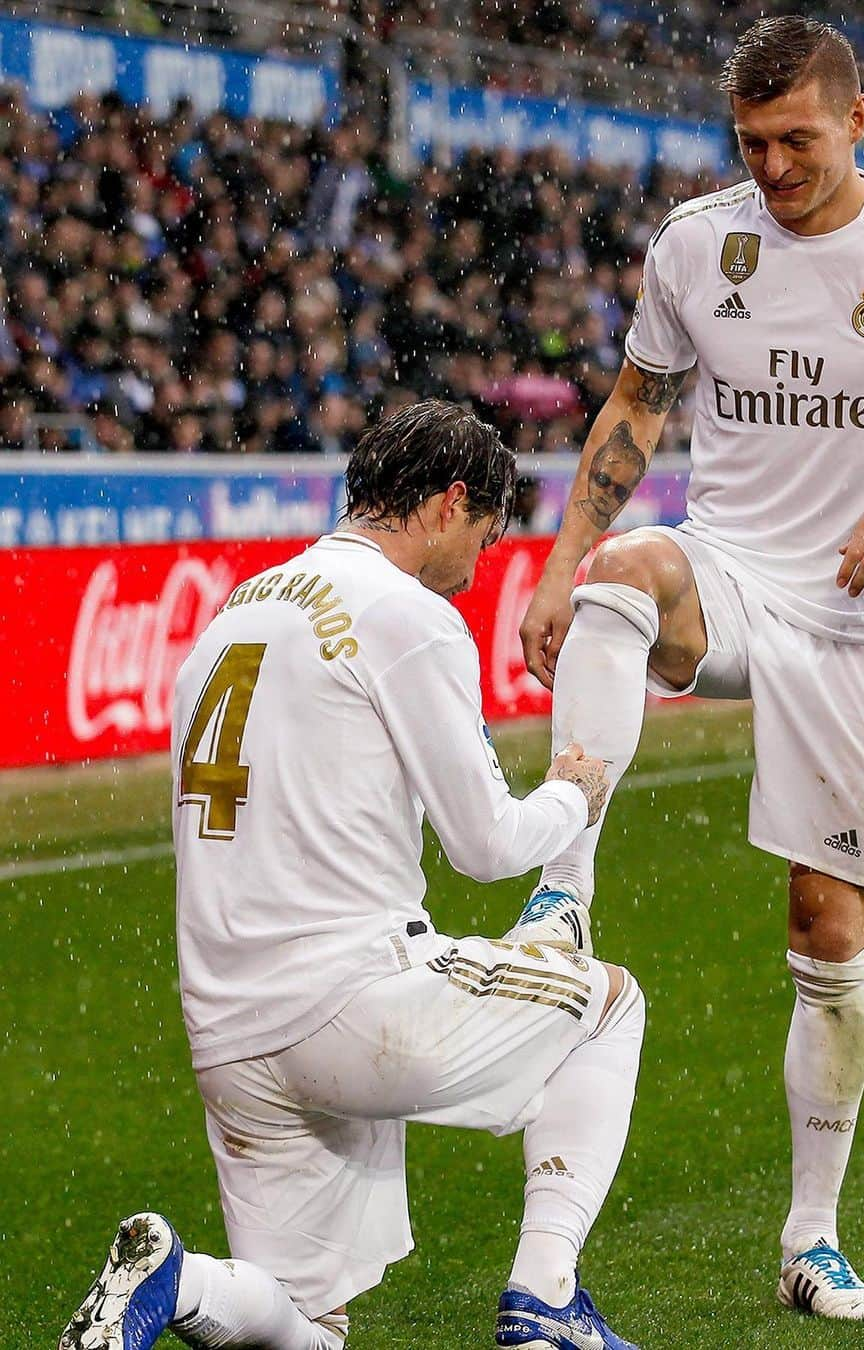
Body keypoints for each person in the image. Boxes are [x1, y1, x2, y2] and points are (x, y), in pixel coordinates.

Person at [508, 14, 864, 1322]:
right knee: (625, 575)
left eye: (796, 140)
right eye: (751, 142)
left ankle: (813, 1238)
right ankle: (558, 893)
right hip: (729, 569)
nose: (773, 167)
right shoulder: (700, 242)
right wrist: (558, 556)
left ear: (858, 122)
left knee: (830, 932)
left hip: (852, 623)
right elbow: (636, 403)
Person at [60, 400, 645, 1350]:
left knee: (310, 1331)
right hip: (349, 1003)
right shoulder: (406, 613)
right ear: (452, 501)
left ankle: (184, 1280)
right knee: (610, 1008)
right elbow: (487, 845)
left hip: (225, 1025)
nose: (478, 566)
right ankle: (544, 1296)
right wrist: (575, 792)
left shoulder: (232, 612)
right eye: (487, 538)